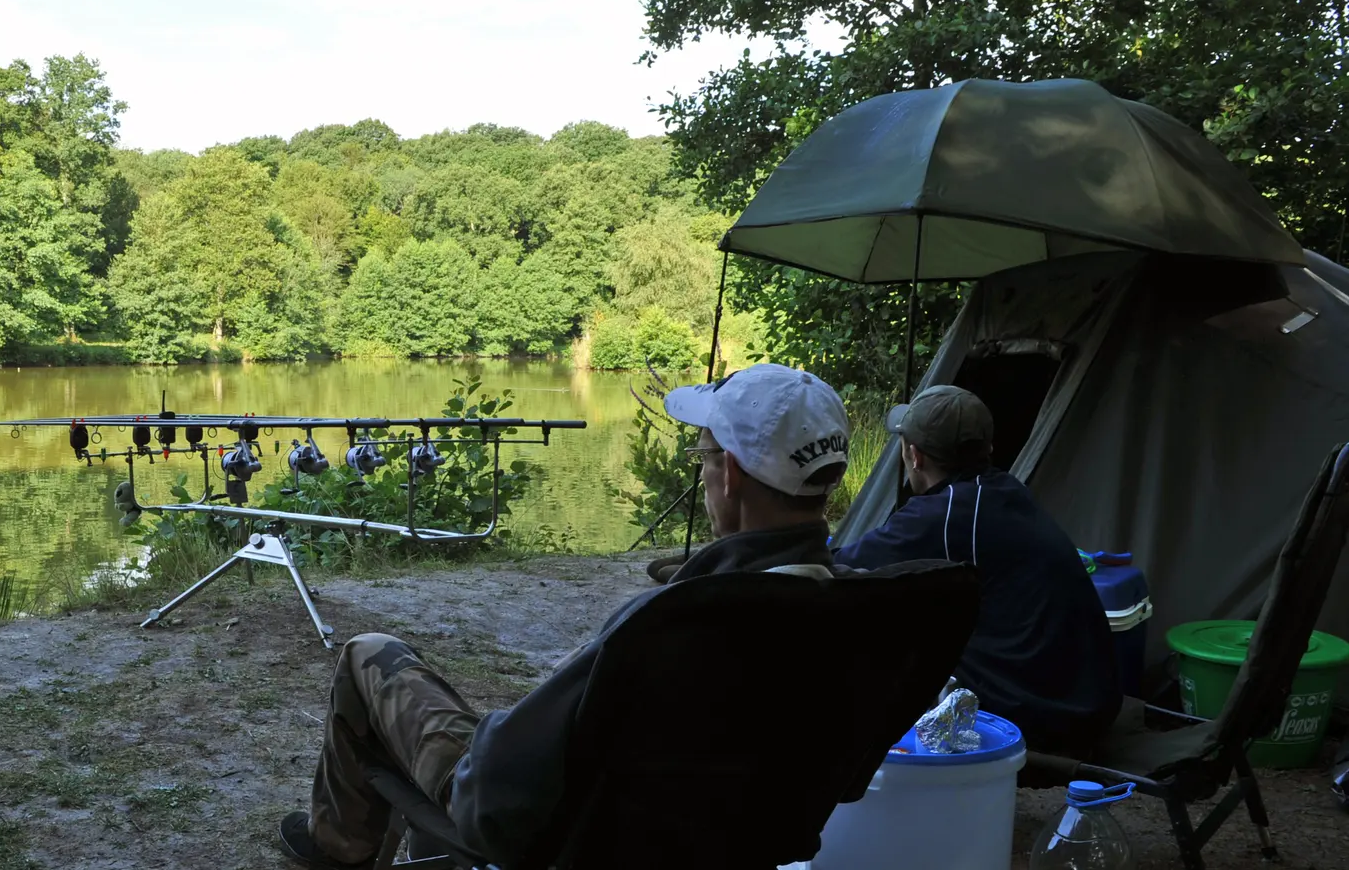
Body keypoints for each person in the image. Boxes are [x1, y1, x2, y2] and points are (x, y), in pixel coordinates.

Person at [278, 364, 852, 869]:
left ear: (728, 472)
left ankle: (339, 845)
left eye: (701, 455)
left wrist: (488, 740)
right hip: (731, 834)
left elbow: (508, 763)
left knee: (369, 652)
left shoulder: (679, 623)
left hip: (544, 828)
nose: (701, 472)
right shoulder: (855, 609)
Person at [833, 384, 1121, 756]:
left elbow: (837, 569)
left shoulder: (944, 513)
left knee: (881, 641)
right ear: (987, 448)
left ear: (914, 456)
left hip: (1043, 717)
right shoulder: (1004, 490)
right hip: (1089, 701)